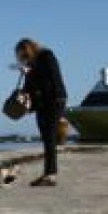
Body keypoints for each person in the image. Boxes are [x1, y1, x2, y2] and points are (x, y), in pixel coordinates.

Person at [15, 38, 68, 187]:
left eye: (23, 54)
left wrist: (29, 73)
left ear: (28, 49)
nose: (23, 58)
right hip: (42, 104)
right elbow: (29, 86)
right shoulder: (32, 63)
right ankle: (48, 173)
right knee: (46, 138)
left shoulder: (46, 56)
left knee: (50, 138)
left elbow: (51, 78)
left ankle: (50, 175)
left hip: (54, 101)